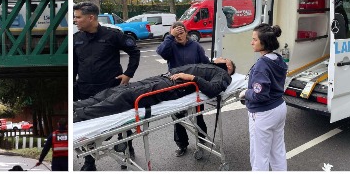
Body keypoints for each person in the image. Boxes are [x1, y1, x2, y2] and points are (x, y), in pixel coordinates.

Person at [73, 1, 140, 170]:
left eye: (77, 17)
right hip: (86, 90)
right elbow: (74, 65)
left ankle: (126, 146)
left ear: (91, 18)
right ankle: (90, 162)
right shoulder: (76, 39)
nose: (75, 20)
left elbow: (134, 51)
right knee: (87, 126)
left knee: (120, 122)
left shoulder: (112, 35)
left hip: (111, 88)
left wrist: (128, 74)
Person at [73, 58, 235, 121]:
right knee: (116, 90)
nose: (218, 57)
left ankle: (80, 115)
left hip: (174, 87)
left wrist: (191, 78)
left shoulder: (223, 74)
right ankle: (77, 107)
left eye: (223, 58)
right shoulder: (209, 66)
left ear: (228, 65)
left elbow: (213, 90)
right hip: (163, 78)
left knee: (126, 96)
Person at [157, 22, 210, 157]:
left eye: (181, 32)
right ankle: (182, 145)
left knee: (198, 116)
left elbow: (205, 63)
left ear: (186, 32)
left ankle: (202, 141)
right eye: (176, 33)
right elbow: (162, 52)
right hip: (176, 87)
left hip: (193, 86)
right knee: (178, 119)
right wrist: (170, 37)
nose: (179, 35)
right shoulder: (171, 45)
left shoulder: (195, 46)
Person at [245, 24, 287, 171]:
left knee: (259, 157)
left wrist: (245, 93)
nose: (251, 42)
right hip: (279, 108)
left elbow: (259, 95)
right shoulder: (278, 59)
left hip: (264, 113)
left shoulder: (261, 65)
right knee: (278, 152)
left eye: (254, 40)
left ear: (264, 42)